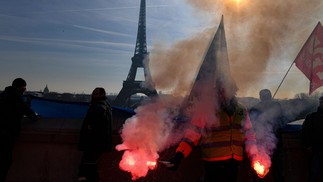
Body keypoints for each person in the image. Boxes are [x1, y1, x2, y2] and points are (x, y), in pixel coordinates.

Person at [165, 86, 256, 182]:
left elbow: (249, 135)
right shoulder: (207, 110)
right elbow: (192, 136)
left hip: (234, 164)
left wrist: (254, 156)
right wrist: (179, 155)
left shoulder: (241, 110)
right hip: (213, 164)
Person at [0, 78, 39, 181]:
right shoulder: (16, 97)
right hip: (7, 133)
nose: (25, 90)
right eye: (24, 87)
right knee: (5, 161)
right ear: (20, 87)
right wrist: (35, 117)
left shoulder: (3, 95)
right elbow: (26, 111)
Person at [249, 89, 285, 182]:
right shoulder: (274, 107)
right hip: (263, 143)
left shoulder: (275, 107)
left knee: (276, 170)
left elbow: (281, 121)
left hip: (272, 143)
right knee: (270, 171)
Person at [78, 87, 113, 182]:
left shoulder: (98, 107)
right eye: (93, 93)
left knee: (88, 167)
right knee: (90, 167)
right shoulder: (106, 106)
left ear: (102, 95)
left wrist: (90, 127)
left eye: (96, 94)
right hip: (99, 142)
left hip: (93, 143)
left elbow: (94, 125)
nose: (93, 95)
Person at [302, 96, 323, 182]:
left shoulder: (311, 117)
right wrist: (308, 145)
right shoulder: (311, 117)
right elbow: (305, 132)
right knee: (314, 174)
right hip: (316, 150)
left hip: (315, 150)